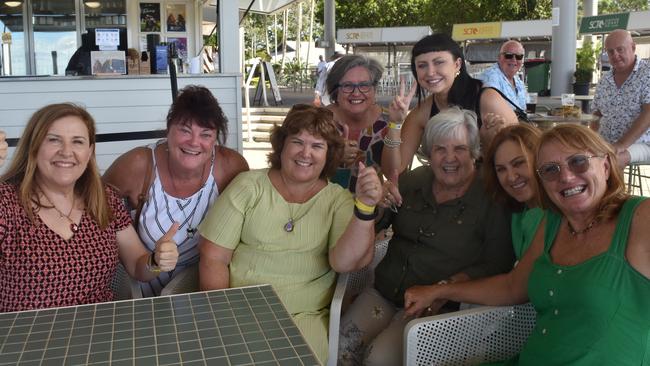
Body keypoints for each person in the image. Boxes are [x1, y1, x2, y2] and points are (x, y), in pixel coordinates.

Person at [403, 124, 650, 365]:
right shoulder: (554, 221)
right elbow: (513, 287)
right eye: (551, 170)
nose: (565, 176)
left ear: (606, 166)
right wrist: (439, 290)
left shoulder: (639, 217)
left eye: (578, 162)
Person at [198, 104, 382, 364]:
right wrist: (223, 313)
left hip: (302, 316)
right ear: (282, 145)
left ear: (329, 154)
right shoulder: (249, 186)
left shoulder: (337, 200)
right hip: (238, 309)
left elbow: (345, 262)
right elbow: (213, 256)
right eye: (297, 142)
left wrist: (365, 207)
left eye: (317, 146)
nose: (305, 153)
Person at [338, 107, 514, 366]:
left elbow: (496, 264)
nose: (449, 158)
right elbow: (374, 227)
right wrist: (377, 204)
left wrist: (442, 289)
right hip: (384, 292)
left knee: (379, 359)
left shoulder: (491, 196)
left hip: (439, 308)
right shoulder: (412, 182)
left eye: (460, 149)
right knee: (340, 348)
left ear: (474, 152)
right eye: (440, 149)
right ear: (429, 152)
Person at [0, 103, 179, 313]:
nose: (67, 152)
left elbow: (138, 266)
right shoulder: (6, 202)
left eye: (78, 142)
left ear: (90, 151)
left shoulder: (104, 199)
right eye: (53, 140)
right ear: (34, 147)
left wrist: (156, 261)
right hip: (27, 338)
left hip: (100, 331)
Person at [103, 85, 248, 297]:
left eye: (206, 134)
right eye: (185, 130)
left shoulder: (230, 167)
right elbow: (91, 205)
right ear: (168, 129)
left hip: (204, 285)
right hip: (143, 290)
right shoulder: (138, 165)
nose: (194, 142)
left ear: (215, 138)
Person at [381, 33, 518, 180]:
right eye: (422, 65)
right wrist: (395, 125)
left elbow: (519, 160)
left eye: (439, 62)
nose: (430, 72)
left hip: (491, 191)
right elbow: (392, 172)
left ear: (457, 64)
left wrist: (488, 142)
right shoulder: (422, 113)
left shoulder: (487, 100)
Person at [325, 54, 389, 192]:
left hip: (373, 204)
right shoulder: (319, 120)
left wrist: (397, 126)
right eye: (347, 86)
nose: (356, 93)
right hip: (324, 205)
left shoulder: (389, 121)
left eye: (364, 85)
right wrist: (333, 156)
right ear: (335, 91)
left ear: (374, 89)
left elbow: (396, 172)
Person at [483, 124, 543, 259]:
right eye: (501, 169)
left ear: (541, 159)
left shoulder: (558, 217)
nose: (511, 177)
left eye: (519, 163)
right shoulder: (518, 213)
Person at [592, 29, 650, 167]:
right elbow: (596, 115)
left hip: (642, 142)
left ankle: (615, 189)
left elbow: (648, 113)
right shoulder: (604, 80)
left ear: (633, 47)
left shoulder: (647, 72)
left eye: (620, 49)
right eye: (610, 51)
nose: (615, 55)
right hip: (606, 143)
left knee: (610, 162)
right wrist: (591, 141)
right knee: (580, 159)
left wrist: (621, 144)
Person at [478, 40, 527, 111]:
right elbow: (492, 112)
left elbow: (524, 108)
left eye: (519, 56)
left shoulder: (518, 81)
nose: (514, 60)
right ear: (499, 57)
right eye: (508, 55)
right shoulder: (490, 77)